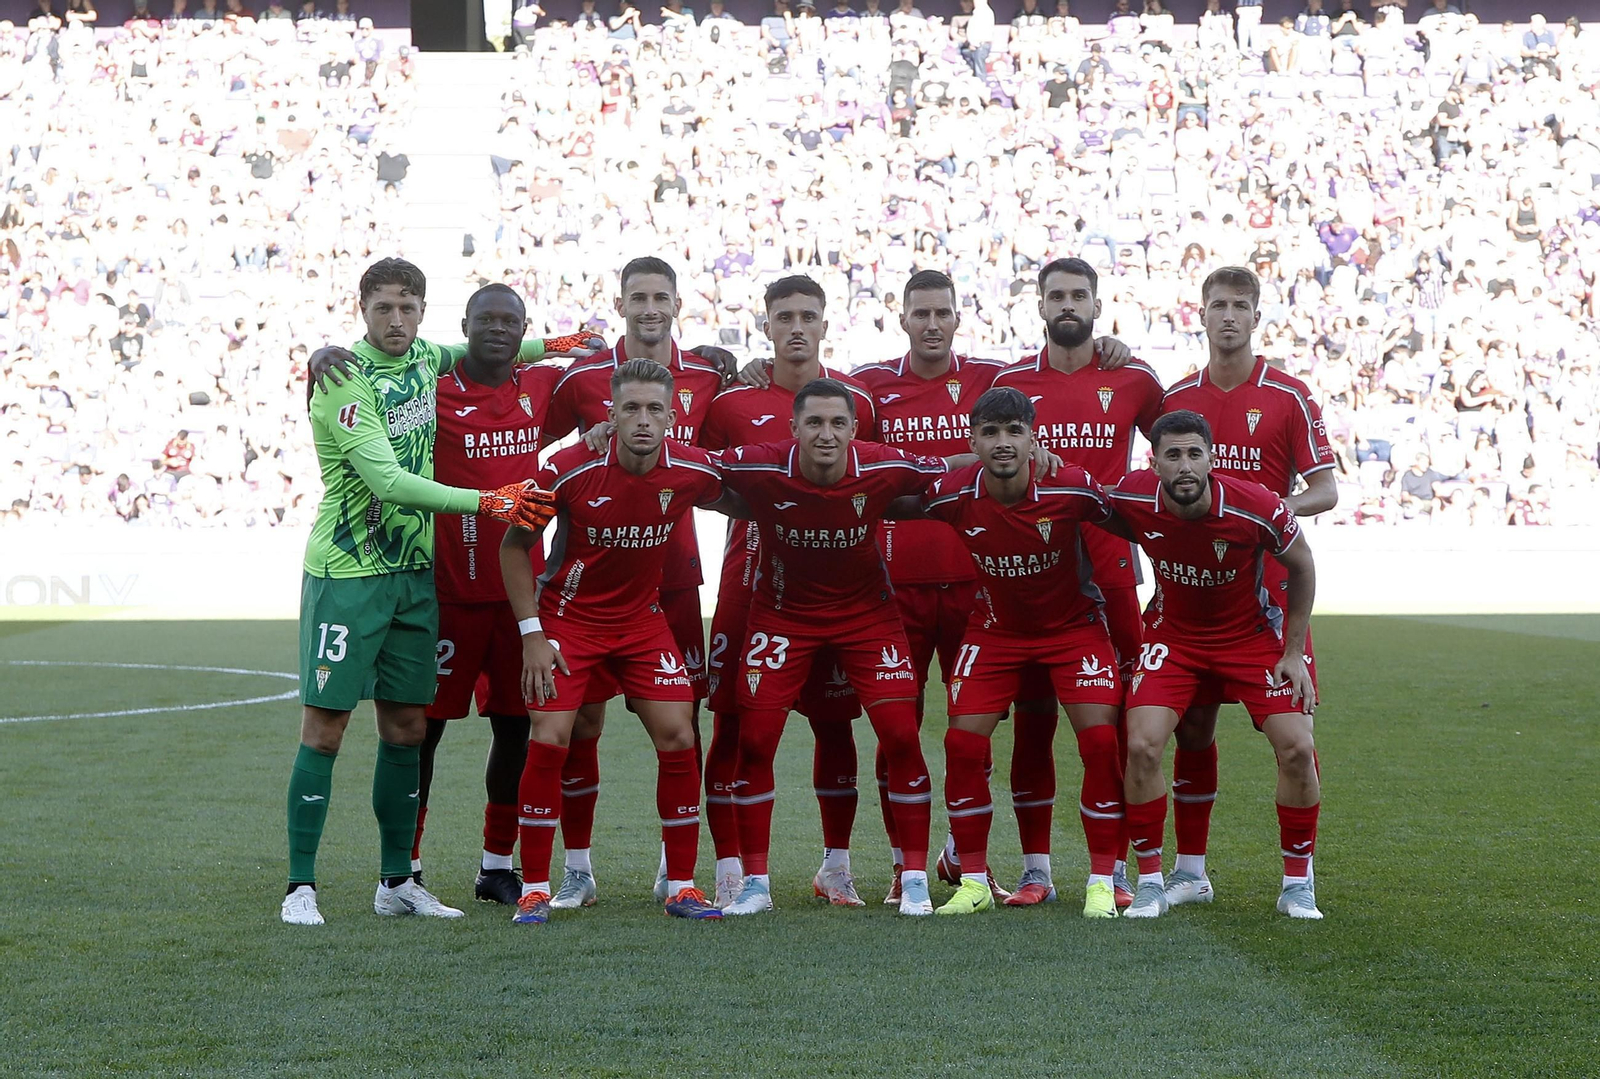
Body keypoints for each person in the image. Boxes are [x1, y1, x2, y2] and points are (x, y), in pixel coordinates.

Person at [281, 258, 563, 927]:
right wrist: (487, 501)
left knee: (407, 727)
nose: (397, 319)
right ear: (362, 309)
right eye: (384, 307)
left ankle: (396, 881)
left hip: (413, 572)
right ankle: (299, 885)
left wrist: (554, 343)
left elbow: (484, 346)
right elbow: (387, 480)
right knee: (326, 729)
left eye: (408, 308)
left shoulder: (426, 358)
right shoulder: (343, 377)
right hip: (348, 573)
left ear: (423, 312)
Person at [847, 270, 1133, 902]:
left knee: (1048, 730)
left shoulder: (997, 380)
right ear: (901, 317)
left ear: (958, 317)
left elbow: (1060, 382)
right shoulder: (867, 386)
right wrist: (739, 366)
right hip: (905, 589)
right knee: (905, 729)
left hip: (994, 596)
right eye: (920, 312)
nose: (931, 323)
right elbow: (855, 463)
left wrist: (1105, 349)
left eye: (942, 312)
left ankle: (1043, 869)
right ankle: (910, 867)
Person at [499, 359, 736, 924]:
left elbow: (753, 490)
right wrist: (532, 636)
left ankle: (682, 886)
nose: (643, 420)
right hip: (568, 620)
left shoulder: (692, 469)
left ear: (672, 416)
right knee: (550, 736)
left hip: (641, 623)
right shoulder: (568, 469)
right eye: (631, 408)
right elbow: (513, 547)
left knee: (680, 734)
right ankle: (536, 888)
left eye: (655, 409)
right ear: (612, 414)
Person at [714, 376, 961, 918]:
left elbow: (956, 465)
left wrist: (1031, 456)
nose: (826, 434)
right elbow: (693, 467)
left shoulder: (881, 464)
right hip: (782, 617)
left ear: (853, 430)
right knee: (754, 742)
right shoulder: (761, 464)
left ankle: (914, 879)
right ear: (794, 428)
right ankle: (755, 883)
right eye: (814, 423)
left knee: (901, 735)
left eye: (837, 424)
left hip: (867, 617)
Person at [1158, 265, 1336, 911]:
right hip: (1195, 595)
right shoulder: (1177, 398)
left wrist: (1265, 513)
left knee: (1295, 741)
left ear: (1256, 316)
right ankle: (1190, 872)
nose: (1228, 315)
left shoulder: (1288, 395)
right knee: (1192, 729)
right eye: (1218, 305)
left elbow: (1325, 488)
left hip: (1270, 601)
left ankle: (1298, 881)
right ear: (1201, 314)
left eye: (1240, 305)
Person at [698, 276, 878, 909]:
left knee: (835, 722)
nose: (796, 327)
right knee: (732, 723)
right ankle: (731, 868)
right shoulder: (731, 403)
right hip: (748, 584)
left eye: (807, 316)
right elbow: (693, 476)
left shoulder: (854, 399)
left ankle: (837, 866)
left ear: (825, 324)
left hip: (834, 587)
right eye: (784, 317)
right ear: (766, 324)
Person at [991, 257, 1164, 906]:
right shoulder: (1010, 384)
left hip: (1112, 566)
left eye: (1079, 295)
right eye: (1057, 295)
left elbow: (1177, 451)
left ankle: (1115, 867)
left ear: (1096, 305)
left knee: (1117, 722)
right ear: (1040, 306)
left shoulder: (1134, 378)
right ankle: (1035, 870)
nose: (1068, 305)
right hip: (1035, 572)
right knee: (1033, 720)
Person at [918, 387, 1126, 918]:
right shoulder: (951, 493)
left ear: (1035, 438)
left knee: (1102, 742)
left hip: (1073, 629)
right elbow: (885, 495)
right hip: (996, 632)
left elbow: (1137, 520)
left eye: (1015, 431)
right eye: (990, 433)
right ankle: (973, 881)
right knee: (962, 744)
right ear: (973, 441)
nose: (1003, 443)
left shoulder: (1071, 486)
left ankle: (1104, 880)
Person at [1109, 409, 1323, 920]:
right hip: (1174, 639)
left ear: (1211, 459)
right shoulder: (1132, 498)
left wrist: (1293, 652)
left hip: (1249, 638)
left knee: (1298, 748)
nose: (1184, 465)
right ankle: (1156, 881)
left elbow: (1302, 565)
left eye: (1194, 454)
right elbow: (1076, 501)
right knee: (1141, 745)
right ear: (1154, 463)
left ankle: (1297, 884)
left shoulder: (1257, 506)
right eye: (1172, 455)